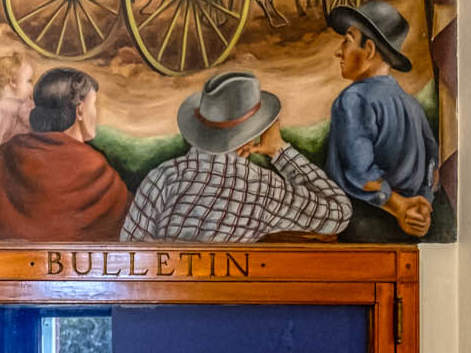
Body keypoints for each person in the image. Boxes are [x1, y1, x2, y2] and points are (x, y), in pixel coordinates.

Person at [120, 70, 351, 243]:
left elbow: (130, 249)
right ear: (251, 134)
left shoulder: (164, 176)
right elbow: (340, 214)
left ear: (201, 128)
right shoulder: (266, 188)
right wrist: (279, 150)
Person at [0, 67, 131, 241]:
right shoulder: (95, 167)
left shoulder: (13, 148)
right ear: (80, 110)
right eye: (94, 104)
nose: (96, 113)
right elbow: (128, 225)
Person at [325, 0, 438, 239]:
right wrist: (422, 207)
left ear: (369, 50)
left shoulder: (352, 100)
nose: (339, 51)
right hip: (410, 230)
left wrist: (400, 207)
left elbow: (360, 174)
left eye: (347, 41)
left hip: (364, 230)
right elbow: (432, 164)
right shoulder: (412, 105)